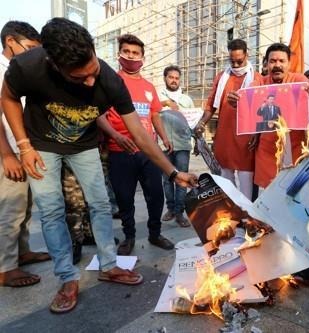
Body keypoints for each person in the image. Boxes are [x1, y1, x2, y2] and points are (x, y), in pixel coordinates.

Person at [1, 18, 197, 313]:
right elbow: (9, 98)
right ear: (54, 65)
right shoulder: (28, 66)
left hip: (84, 145)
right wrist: (23, 146)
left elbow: (141, 135)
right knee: (52, 209)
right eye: (80, 78)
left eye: (93, 71)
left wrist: (173, 172)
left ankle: (110, 265)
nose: (91, 83)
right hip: (42, 145)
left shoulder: (109, 80)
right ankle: (68, 278)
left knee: (101, 204)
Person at [98, 34, 175, 255]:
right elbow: (99, 115)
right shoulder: (109, 82)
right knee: (124, 197)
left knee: (156, 195)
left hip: (148, 151)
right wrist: (116, 135)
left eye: (136, 53)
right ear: (119, 54)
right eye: (127, 52)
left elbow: (155, 115)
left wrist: (165, 137)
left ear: (143, 57)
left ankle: (155, 233)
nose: (131, 56)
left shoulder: (149, 87)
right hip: (119, 151)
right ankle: (129, 236)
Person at [0, 21, 51, 288]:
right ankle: (5, 267)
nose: (33, 54)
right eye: (29, 48)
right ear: (10, 41)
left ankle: (22, 252)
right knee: (10, 210)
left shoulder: (19, 71)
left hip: (25, 151)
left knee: (25, 208)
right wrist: (7, 154)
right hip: (7, 152)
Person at [195, 39, 260, 199]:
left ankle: (246, 218)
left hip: (246, 138)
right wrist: (201, 123)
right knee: (226, 181)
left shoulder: (257, 79)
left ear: (247, 55)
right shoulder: (221, 77)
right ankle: (231, 215)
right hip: (225, 136)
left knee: (246, 184)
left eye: (240, 61)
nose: (236, 66)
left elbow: (260, 112)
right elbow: (211, 105)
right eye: (233, 62)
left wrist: (257, 134)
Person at [250, 43, 309, 189]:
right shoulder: (259, 83)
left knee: (293, 194)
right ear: (267, 64)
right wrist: (238, 98)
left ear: (289, 63)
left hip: (295, 148)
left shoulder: (299, 80)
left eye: (281, 61)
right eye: (272, 61)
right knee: (268, 195)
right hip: (268, 150)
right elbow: (248, 99)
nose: (277, 65)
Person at [159, 65, 194, 228]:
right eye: (170, 77)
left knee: (182, 180)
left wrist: (195, 141)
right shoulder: (158, 96)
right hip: (164, 145)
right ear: (165, 78)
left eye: (176, 78)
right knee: (167, 179)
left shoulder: (187, 100)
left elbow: (192, 121)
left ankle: (180, 212)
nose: (174, 80)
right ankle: (171, 209)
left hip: (182, 145)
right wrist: (166, 103)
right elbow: (151, 112)